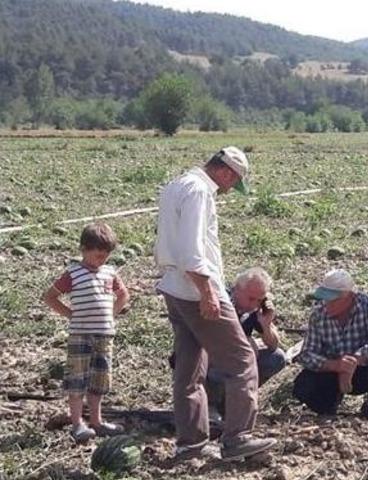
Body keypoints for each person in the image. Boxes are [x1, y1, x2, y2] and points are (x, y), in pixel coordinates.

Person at [154, 146, 276, 461]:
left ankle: (190, 443)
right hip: (196, 290)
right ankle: (237, 439)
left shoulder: (177, 184)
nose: (227, 190)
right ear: (225, 171)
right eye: (231, 183)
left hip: (174, 288)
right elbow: (191, 252)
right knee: (243, 361)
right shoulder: (199, 192)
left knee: (190, 366)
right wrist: (208, 292)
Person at [43, 222, 129, 443]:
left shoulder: (110, 272)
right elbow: (50, 297)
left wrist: (111, 314)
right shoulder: (73, 273)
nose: (102, 257)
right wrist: (70, 314)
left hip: (104, 335)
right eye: (97, 253)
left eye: (106, 253)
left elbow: (123, 295)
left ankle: (97, 421)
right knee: (77, 379)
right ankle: (77, 423)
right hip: (80, 334)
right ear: (83, 249)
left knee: (99, 380)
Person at [169, 268, 288, 419]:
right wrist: (244, 343)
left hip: (232, 359)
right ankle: (209, 404)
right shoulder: (217, 301)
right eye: (251, 298)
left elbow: (273, 345)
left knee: (276, 358)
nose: (255, 304)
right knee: (231, 361)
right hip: (203, 359)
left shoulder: (253, 310)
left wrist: (266, 325)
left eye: (260, 300)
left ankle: (229, 403)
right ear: (237, 289)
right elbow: (205, 341)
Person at [293, 269, 368, 420]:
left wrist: (358, 357)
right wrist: (335, 365)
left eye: (332, 300)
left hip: (361, 371)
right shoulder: (318, 315)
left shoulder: (367, 305)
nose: (327, 305)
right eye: (325, 299)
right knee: (302, 386)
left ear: (350, 296)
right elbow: (306, 355)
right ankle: (328, 407)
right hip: (332, 375)